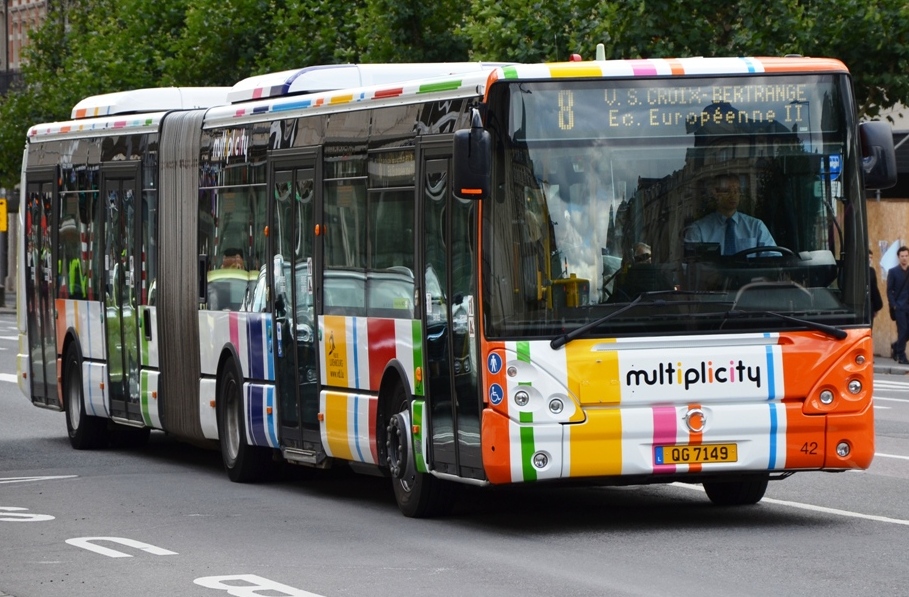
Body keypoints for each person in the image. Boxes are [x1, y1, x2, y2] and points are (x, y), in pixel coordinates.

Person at [685, 173, 776, 255]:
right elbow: (690, 267)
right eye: (727, 191)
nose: (733, 195)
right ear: (715, 193)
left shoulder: (756, 226)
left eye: (737, 190)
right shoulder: (698, 230)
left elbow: (773, 260)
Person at [886, 245, 909, 364]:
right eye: (902, 256)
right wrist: (894, 305)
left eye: (906, 256)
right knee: (903, 330)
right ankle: (901, 355)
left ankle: (896, 345)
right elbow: (889, 290)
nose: (904, 258)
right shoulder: (893, 272)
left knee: (907, 332)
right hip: (899, 307)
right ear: (898, 257)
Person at [869, 249, 883, 320]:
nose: (869, 260)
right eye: (868, 257)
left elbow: (875, 289)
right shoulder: (858, 270)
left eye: (871, 258)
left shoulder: (872, 271)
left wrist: (876, 307)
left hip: (871, 304)